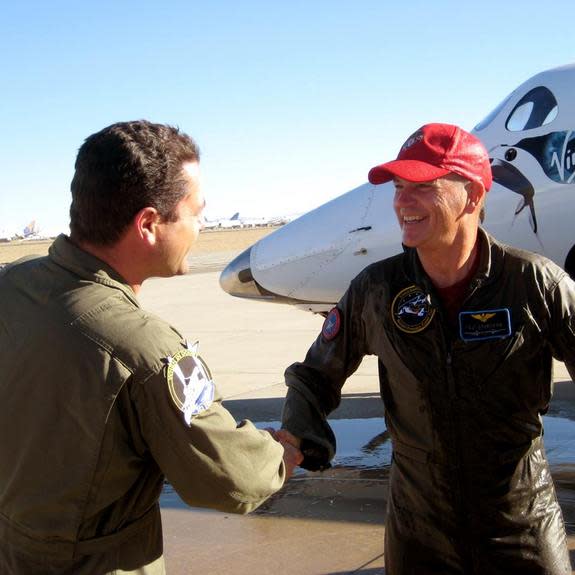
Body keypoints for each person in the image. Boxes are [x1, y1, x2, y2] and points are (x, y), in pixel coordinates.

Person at [0, 120, 302, 575]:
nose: (200, 227)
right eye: (195, 214)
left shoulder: (14, 284)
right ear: (148, 224)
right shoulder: (146, 348)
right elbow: (231, 479)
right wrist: (279, 453)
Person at [278, 123, 575, 574]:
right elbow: (315, 375)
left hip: (521, 527)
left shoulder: (535, 283)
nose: (401, 203)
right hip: (419, 533)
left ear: (473, 196)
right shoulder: (376, 290)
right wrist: (298, 435)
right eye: (399, 188)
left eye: (422, 187)